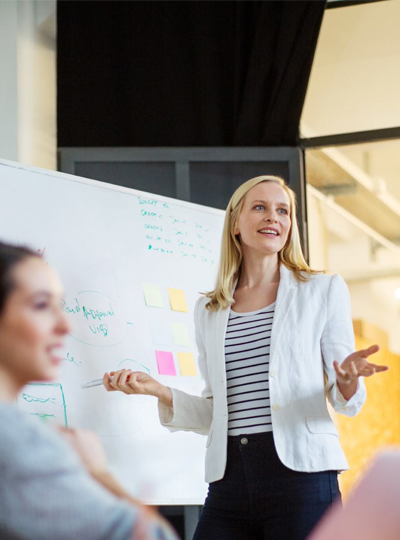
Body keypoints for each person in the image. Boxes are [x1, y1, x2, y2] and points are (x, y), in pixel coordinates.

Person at [103, 176, 389, 540]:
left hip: (301, 478)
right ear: (236, 223)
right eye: (260, 207)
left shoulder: (321, 290)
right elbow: (216, 413)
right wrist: (162, 392)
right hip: (230, 478)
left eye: (283, 210)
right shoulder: (209, 309)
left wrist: (347, 380)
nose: (274, 217)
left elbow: (345, 401)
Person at [0, 241, 178, 540]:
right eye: (42, 305)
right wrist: (99, 473)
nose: (66, 324)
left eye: (61, 304)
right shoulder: (20, 440)